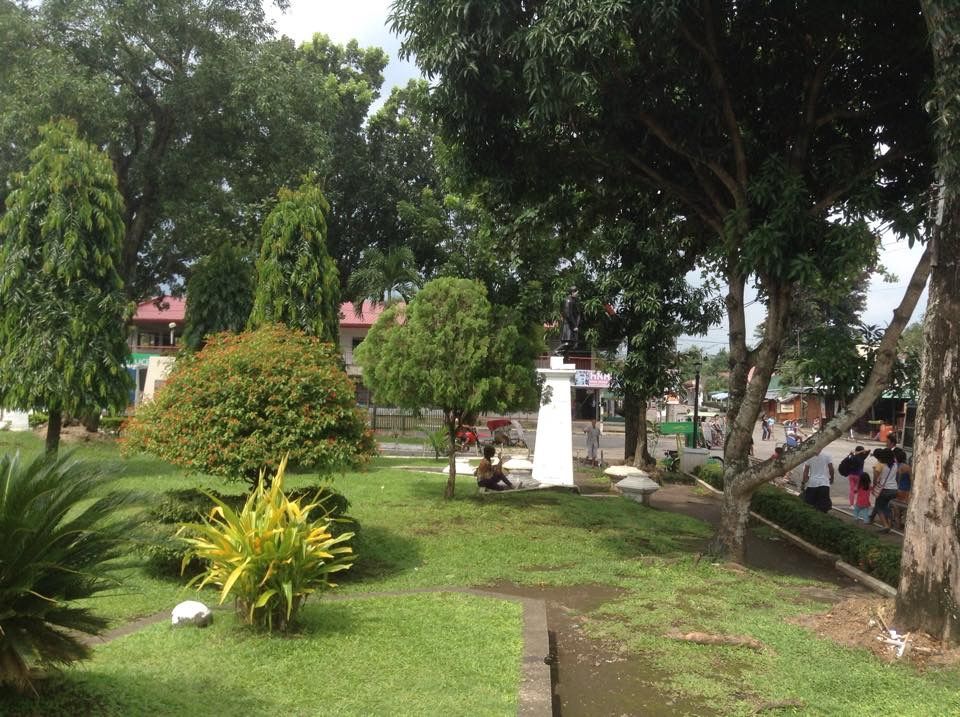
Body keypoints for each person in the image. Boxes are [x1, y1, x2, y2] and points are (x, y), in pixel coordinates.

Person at [869, 448, 899, 533]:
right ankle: (889, 524)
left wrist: (874, 486)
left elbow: (876, 478)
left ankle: (885, 525)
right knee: (886, 506)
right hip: (894, 489)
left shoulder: (881, 465)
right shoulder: (895, 465)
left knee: (879, 507)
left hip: (884, 489)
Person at [800, 448, 834, 513]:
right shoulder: (827, 455)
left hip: (812, 484)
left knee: (810, 505)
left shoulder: (809, 456)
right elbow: (831, 469)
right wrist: (832, 478)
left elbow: (806, 471)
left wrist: (803, 482)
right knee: (823, 507)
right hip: (824, 483)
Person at [838, 445, 869, 510]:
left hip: (851, 475)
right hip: (859, 476)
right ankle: (859, 504)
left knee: (852, 490)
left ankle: (851, 505)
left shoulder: (852, 456)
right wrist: (862, 451)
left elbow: (846, 460)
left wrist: (854, 452)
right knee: (859, 490)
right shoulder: (863, 457)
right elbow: (868, 450)